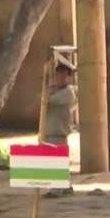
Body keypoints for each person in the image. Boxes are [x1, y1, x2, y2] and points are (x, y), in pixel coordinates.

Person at [43, 59, 78, 197]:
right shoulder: (52, 89)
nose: (59, 77)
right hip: (49, 130)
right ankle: (66, 185)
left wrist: (45, 93)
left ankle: (56, 189)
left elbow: (48, 100)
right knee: (56, 160)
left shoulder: (68, 92)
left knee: (55, 160)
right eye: (57, 74)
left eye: (63, 75)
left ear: (69, 77)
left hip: (58, 131)